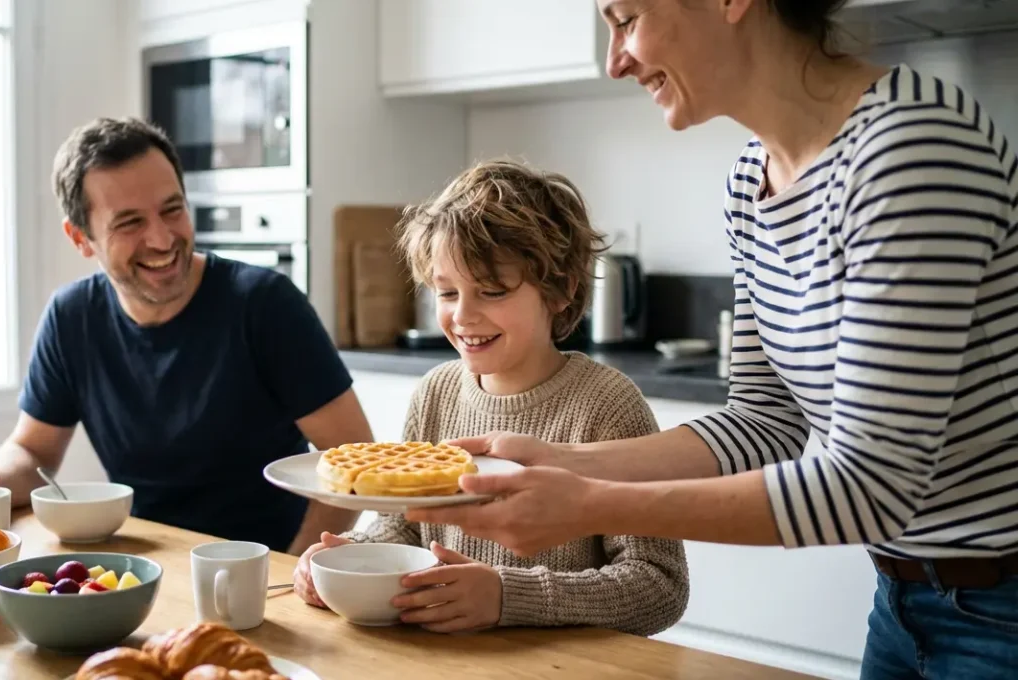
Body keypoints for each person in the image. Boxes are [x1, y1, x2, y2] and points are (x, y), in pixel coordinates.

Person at [408, 1, 1018, 676]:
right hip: (903, 597)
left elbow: (869, 486)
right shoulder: (750, 183)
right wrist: (563, 462)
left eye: (627, 17)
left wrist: (591, 504)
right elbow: (764, 422)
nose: (616, 60)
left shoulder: (912, 151)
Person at [0, 117, 371, 554]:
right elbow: (32, 452)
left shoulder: (265, 304)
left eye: (172, 209)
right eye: (129, 223)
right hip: (140, 566)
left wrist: (292, 566)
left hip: (260, 566)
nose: (162, 240)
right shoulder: (72, 317)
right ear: (81, 238)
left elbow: (355, 457)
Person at [293, 160, 689, 635]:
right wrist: (353, 557)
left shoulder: (608, 407)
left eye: (492, 291)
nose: (462, 315)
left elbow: (658, 585)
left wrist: (508, 597)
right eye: (446, 292)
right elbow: (406, 526)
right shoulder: (436, 393)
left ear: (560, 289)